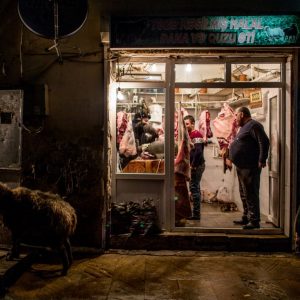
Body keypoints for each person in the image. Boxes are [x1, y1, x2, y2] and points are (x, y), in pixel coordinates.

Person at [226, 106, 270, 229]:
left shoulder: (254, 125)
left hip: (250, 166)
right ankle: (246, 217)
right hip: (242, 166)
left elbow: (264, 142)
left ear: (242, 114)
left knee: (251, 193)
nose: (235, 118)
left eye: (236, 115)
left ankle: (254, 221)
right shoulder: (244, 127)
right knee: (244, 193)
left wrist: (262, 159)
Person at [183, 115, 205, 220]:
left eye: (187, 124)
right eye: (184, 124)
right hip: (194, 165)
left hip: (197, 166)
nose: (186, 126)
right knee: (195, 188)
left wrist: (193, 165)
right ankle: (196, 213)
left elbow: (198, 151)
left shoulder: (196, 134)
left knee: (194, 188)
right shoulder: (189, 134)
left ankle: (196, 215)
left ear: (192, 123)